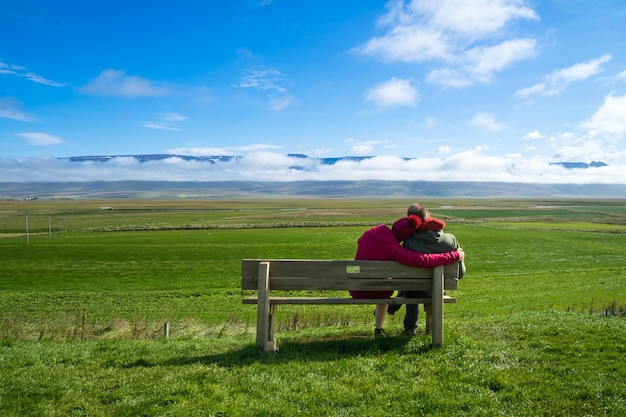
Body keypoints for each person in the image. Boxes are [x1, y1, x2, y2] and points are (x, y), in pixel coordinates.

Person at [349, 215, 464, 337]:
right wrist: (453, 256)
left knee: (390, 282)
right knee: (387, 285)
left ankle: (385, 324)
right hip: (377, 291)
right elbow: (422, 260)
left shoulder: (369, 233)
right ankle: (379, 330)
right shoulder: (394, 249)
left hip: (356, 288)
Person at [388, 203, 466, 335]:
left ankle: (410, 329)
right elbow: (460, 273)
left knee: (411, 287)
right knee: (413, 286)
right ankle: (429, 330)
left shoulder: (409, 242)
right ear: (428, 217)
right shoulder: (450, 240)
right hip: (437, 289)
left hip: (413, 290)